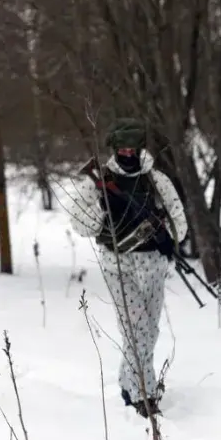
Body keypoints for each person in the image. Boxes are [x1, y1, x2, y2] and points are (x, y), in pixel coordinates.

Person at [69, 118, 188, 419]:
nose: (126, 152)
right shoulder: (98, 181)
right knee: (136, 330)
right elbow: (79, 223)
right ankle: (143, 396)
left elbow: (177, 214)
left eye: (131, 147)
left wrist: (168, 238)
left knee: (149, 329)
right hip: (118, 265)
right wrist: (102, 208)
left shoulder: (156, 180)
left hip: (153, 265)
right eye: (121, 147)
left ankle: (127, 381)